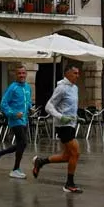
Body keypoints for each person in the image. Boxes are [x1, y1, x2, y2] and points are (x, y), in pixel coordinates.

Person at [33, 63, 83, 193]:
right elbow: (48, 106)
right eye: (75, 73)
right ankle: (69, 184)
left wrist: (77, 117)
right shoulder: (61, 88)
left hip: (71, 124)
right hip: (63, 126)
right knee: (76, 153)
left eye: (78, 73)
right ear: (67, 73)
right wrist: (60, 117)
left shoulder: (75, 88)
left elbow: (70, 107)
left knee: (67, 156)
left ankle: (40, 162)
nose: (77, 76)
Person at [0, 64, 32, 179]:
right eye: (19, 73)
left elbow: (28, 101)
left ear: (26, 74)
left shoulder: (28, 87)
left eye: (23, 73)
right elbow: (3, 104)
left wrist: (30, 107)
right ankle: (15, 169)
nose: (22, 75)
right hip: (15, 120)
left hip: (24, 119)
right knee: (22, 143)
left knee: (21, 144)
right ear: (15, 75)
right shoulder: (12, 87)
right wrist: (13, 113)